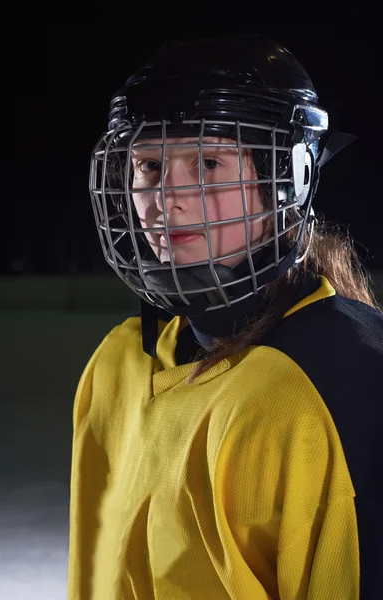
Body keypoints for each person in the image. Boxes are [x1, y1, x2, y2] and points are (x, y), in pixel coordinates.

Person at [67, 34, 383, 600]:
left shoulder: (341, 378)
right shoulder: (116, 365)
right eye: (148, 166)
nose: (168, 198)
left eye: (209, 161)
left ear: (292, 177)